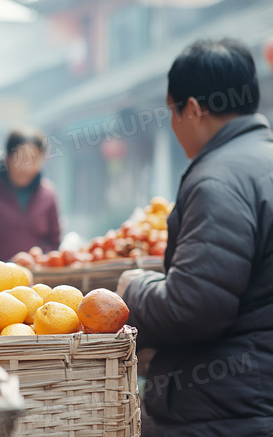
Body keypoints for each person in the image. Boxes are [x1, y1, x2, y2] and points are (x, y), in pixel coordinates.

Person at [117, 38, 273, 436]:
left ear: (193, 109)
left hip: (222, 409)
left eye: (173, 112)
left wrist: (133, 289)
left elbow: (195, 306)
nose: (174, 126)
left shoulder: (218, 180)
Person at [0, 128, 60, 265]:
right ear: (8, 158)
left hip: (37, 278)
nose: (27, 167)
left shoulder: (48, 194)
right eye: (21, 158)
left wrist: (42, 263)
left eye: (34, 160)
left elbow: (54, 240)